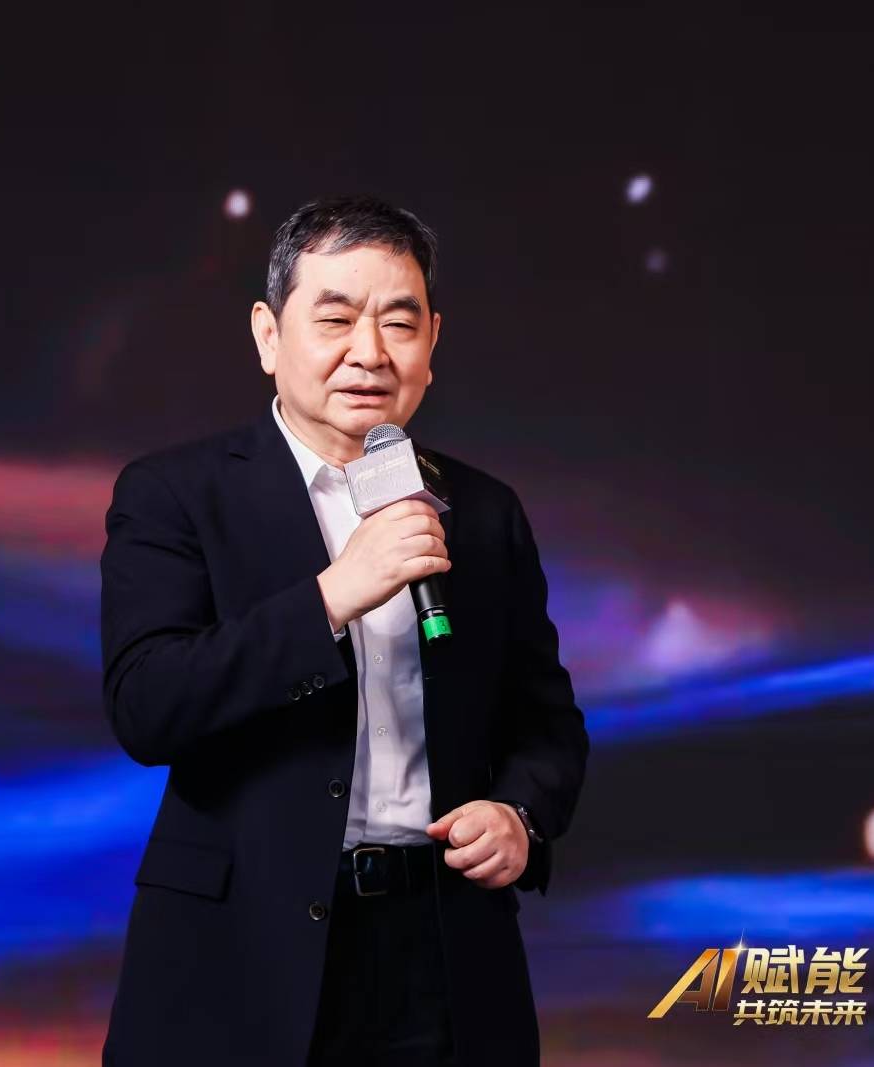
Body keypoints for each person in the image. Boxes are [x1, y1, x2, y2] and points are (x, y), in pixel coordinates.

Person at [98, 194, 589, 1066]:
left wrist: (519, 813)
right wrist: (332, 594)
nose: (369, 351)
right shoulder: (176, 493)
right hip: (241, 956)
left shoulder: (483, 512)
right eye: (335, 319)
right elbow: (149, 703)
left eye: (399, 322)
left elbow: (546, 724)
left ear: (432, 341)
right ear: (267, 335)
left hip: (440, 950)